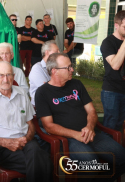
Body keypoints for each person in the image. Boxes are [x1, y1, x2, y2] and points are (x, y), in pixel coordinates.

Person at [35, 53, 125, 182]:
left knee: (122, 157)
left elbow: (92, 111)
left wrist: (89, 127)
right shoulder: (42, 93)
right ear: (54, 71)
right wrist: (76, 135)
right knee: (90, 163)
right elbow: (48, 126)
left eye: (71, 66)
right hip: (69, 139)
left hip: (91, 133)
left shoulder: (76, 84)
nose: (72, 70)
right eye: (68, 68)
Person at [0, 61, 52, 182]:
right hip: (2, 147)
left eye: (9, 75)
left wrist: (27, 138)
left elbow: (30, 123)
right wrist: (6, 143)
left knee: (36, 154)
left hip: (26, 142)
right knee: (44, 162)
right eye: (1, 75)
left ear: (14, 77)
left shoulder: (21, 93)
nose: (6, 79)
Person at [100, 10, 125, 131]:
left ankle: (118, 149)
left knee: (120, 125)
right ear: (116, 25)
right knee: (111, 125)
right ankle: (109, 149)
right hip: (112, 91)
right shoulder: (107, 43)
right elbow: (115, 65)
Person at [29, 40, 59, 107]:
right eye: (56, 51)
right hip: (41, 106)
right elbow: (46, 90)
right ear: (47, 53)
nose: (59, 53)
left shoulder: (57, 67)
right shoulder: (37, 68)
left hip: (55, 103)